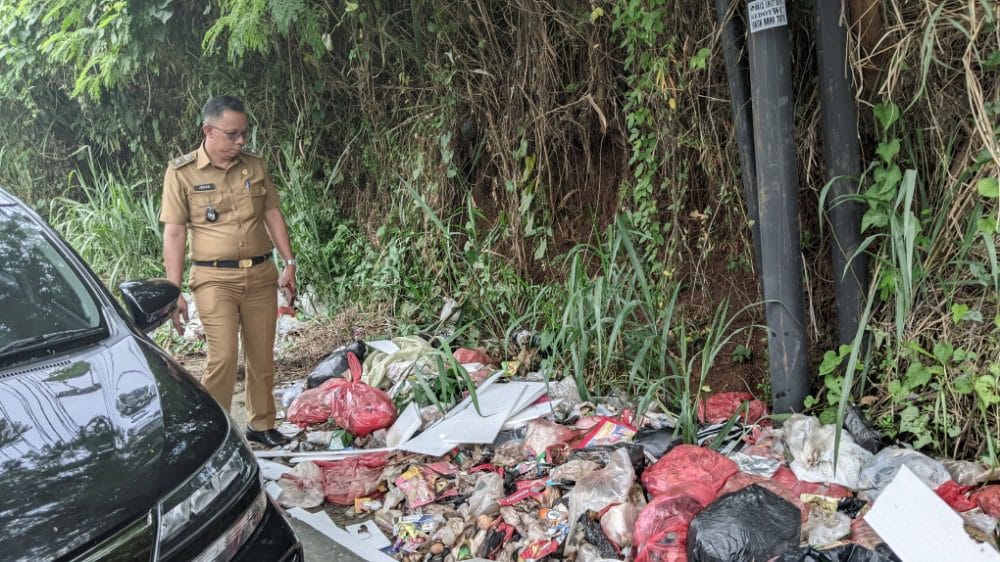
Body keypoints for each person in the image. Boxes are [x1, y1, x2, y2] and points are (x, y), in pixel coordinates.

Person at [160, 95, 295, 448]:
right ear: (209, 131)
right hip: (213, 279)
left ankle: (261, 425)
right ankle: (215, 433)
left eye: (244, 134)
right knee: (222, 356)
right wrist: (173, 291)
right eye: (233, 134)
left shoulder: (254, 166)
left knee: (262, 353)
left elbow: (272, 215)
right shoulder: (181, 172)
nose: (240, 142)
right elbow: (174, 233)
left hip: (261, 274)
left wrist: (289, 263)